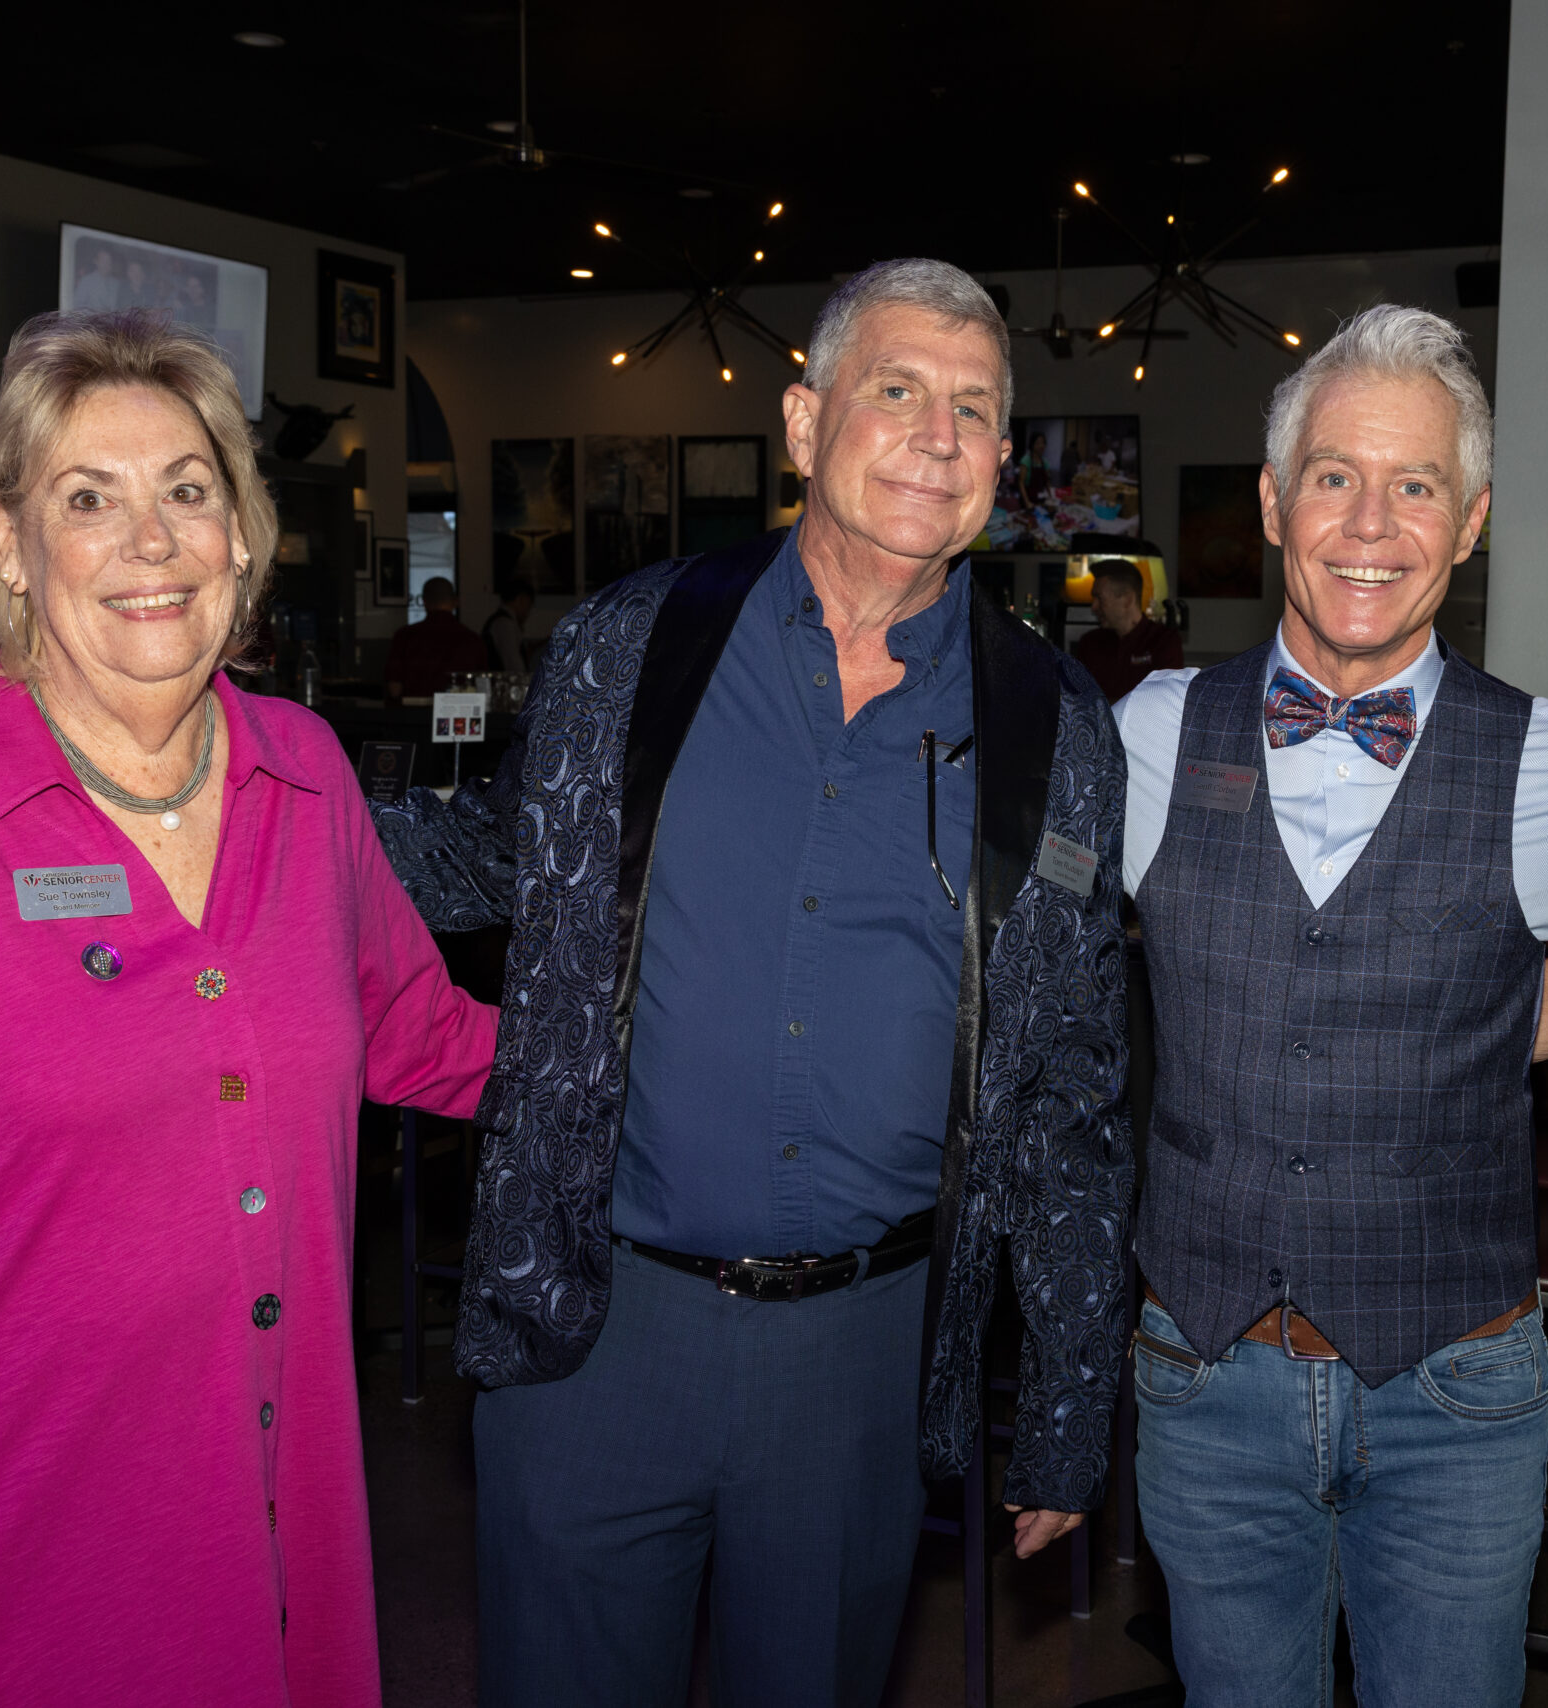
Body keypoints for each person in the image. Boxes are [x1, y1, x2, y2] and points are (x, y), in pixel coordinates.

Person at [371, 259, 1134, 1707]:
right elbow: (492, 856)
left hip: (862, 1362)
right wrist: (245, 801)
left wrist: (1065, 1398)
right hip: (597, 1332)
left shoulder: (1056, 723)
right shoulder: (629, 642)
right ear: (802, 421)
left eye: (976, 409)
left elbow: (1070, 1081)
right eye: (896, 390)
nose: (938, 436)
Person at [0, 308, 498, 1706]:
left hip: (272, 1507)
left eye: (188, 492)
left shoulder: (305, 772)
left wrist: (669, 1054)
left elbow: (422, 1035)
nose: (151, 541)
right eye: (89, 499)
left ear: (241, 539)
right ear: (12, 548)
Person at [1111, 303, 1548, 1707]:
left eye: (1418, 485)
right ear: (1275, 503)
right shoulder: (1148, 732)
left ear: (1472, 523)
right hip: (1204, 1368)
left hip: (1456, 1385)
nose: (1371, 523)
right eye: (1334, 476)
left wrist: (1464, 1043)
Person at [1071, 558, 1182, 703]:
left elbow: (1166, 701)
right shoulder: (1090, 643)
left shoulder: (1163, 642)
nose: (1094, 607)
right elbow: (1077, 700)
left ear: (1128, 599)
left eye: (1100, 598)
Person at [384, 575, 490, 698]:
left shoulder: (404, 636)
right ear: (455, 602)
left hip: (413, 709)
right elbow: (483, 688)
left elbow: (394, 688)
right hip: (459, 709)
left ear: (423, 601)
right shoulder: (472, 640)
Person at [481, 576, 534, 676]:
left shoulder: (502, 622)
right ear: (520, 599)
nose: (528, 612)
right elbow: (513, 664)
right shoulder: (504, 624)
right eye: (528, 605)